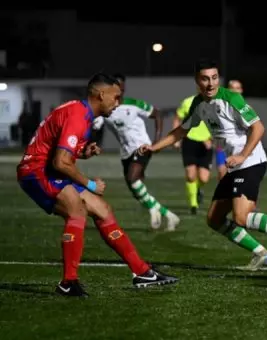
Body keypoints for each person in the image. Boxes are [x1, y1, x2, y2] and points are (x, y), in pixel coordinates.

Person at [138, 59, 267, 270]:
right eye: (205, 79)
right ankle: (261, 253)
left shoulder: (232, 98)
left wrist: (241, 156)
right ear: (197, 80)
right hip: (234, 165)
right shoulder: (197, 104)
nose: (211, 83)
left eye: (214, 78)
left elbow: (258, 128)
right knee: (214, 218)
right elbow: (181, 131)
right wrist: (154, 148)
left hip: (250, 161)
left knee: (241, 216)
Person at [16, 73, 177, 297]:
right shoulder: (77, 115)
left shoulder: (82, 113)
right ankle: (68, 282)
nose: (118, 102)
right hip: (36, 172)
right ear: (101, 95)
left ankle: (142, 272)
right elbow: (61, 162)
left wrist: (83, 151)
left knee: (103, 210)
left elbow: (62, 151)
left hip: (51, 170)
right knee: (77, 210)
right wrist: (90, 184)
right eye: (116, 97)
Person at [92, 73, 180, 231]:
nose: (118, 88)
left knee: (133, 178)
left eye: (120, 85)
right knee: (135, 189)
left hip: (142, 147)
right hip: (125, 152)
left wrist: (157, 141)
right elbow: (95, 126)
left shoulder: (135, 104)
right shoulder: (106, 108)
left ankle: (154, 210)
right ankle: (169, 215)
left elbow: (157, 114)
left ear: (124, 88)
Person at [173, 94, 213, 214]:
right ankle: (193, 204)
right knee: (191, 176)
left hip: (206, 143)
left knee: (204, 178)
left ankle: (198, 189)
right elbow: (177, 118)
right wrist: (176, 138)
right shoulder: (187, 101)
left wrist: (211, 138)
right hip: (189, 141)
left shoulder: (214, 104)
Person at [215, 79, 244, 180]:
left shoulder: (246, 109)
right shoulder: (220, 107)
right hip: (223, 147)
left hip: (242, 148)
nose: (235, 91)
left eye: (238, 88)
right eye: (232, 88)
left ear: (241, 90)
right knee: (223, 173)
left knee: (240, 178)